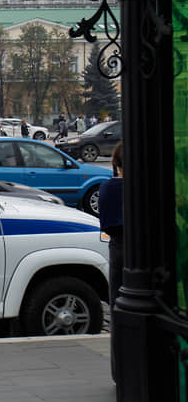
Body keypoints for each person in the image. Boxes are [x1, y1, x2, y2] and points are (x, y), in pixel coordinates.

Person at [98, 141, 123, 381]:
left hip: (118, 250)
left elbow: (105, 224)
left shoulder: (107, 188)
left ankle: (120, 370)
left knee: (117, 310)